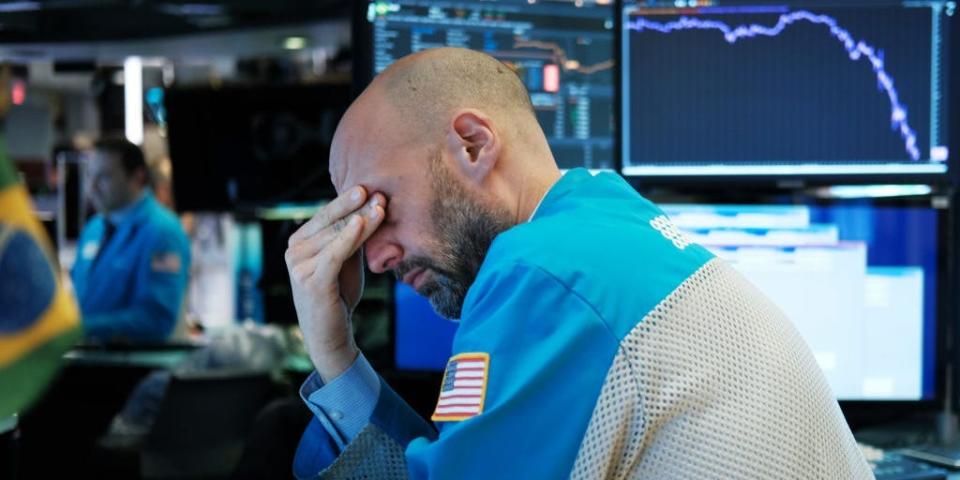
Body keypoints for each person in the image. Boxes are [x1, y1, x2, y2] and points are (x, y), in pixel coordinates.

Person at [285, 48, 871, 479]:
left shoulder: (545, 273)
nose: (377, 256)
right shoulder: (607, 218)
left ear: (472, 145)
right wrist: (337, 354)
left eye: (380, 208)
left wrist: (333, 355)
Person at [71, 137, 190, 343]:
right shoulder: (94, 228)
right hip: (90, 360)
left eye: (104, 177)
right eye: (90, 175)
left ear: (137, 176)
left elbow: (155, 320)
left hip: (138, 367)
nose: (92, 186)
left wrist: (81, 328)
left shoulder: (163, 232)